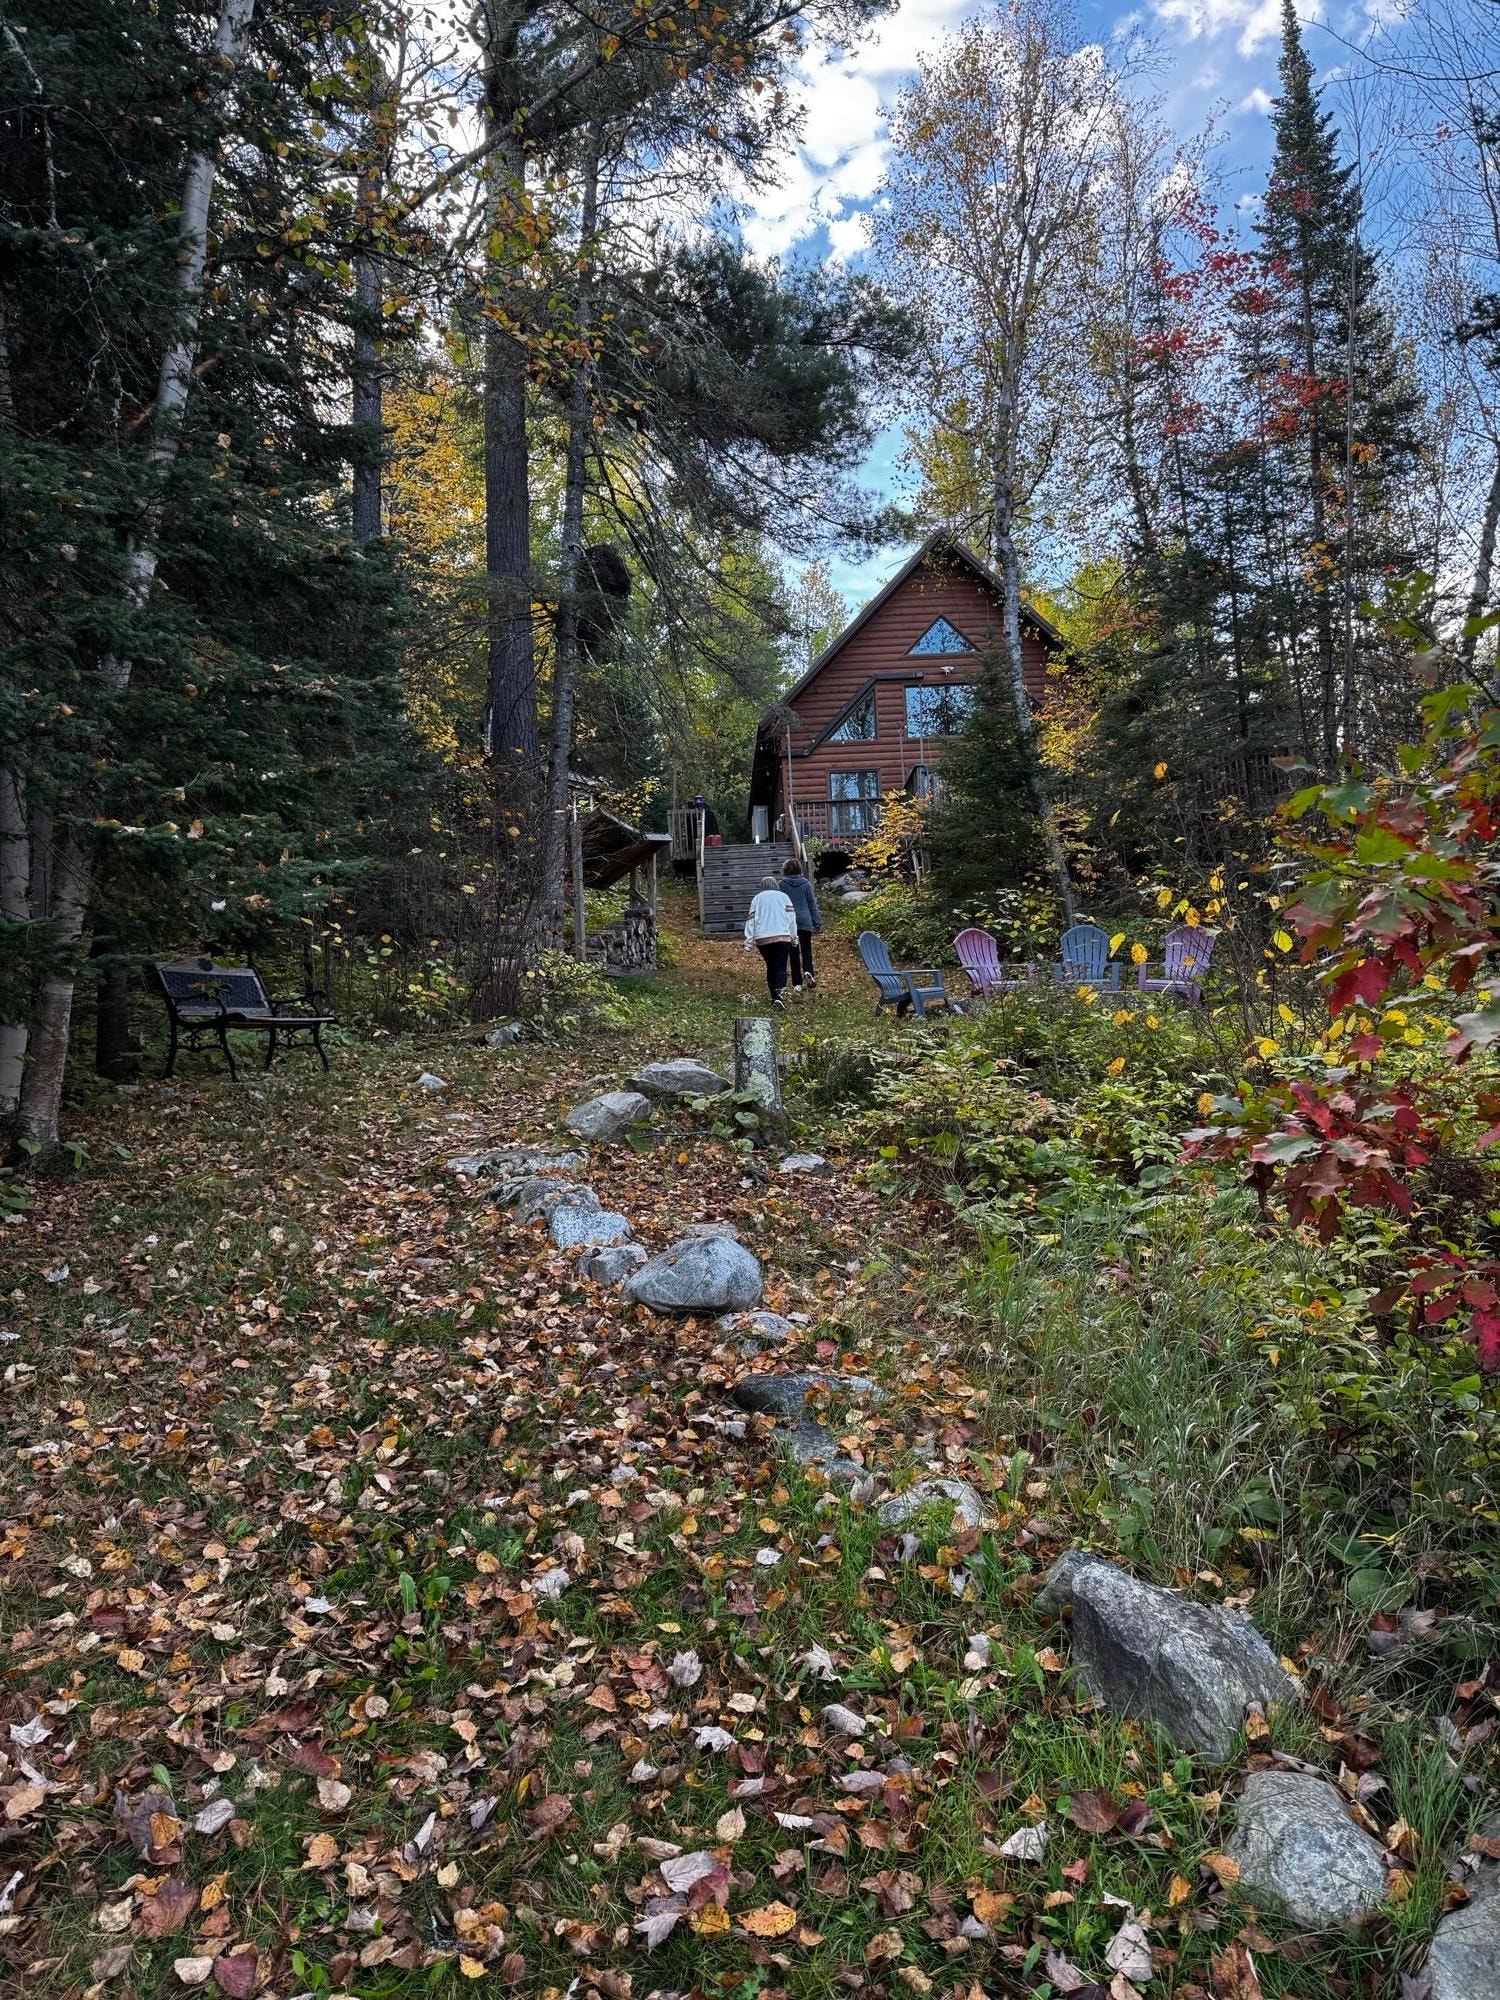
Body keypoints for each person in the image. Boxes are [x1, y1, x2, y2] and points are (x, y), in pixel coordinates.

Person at [743, 873, 798, 1007]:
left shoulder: (757, 899)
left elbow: (751, 920)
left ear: (762, 886)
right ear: (776, 885)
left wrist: (748, 942)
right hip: (782, 935)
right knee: (781, 966)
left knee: (771, 966)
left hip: (763, 938)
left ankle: (774, 997)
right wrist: (794, 937)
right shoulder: (783, 897)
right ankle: (780, 994)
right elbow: (791, 919)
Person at [780, 857, 822, 993]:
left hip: (789, 922)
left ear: (785, 870)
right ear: (799, 869)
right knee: (806, 950)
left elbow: (780, 905)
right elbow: (812, 904)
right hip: (805, 921)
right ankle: (808, 972)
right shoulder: (806, 884)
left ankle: (797, 983)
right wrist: (817, 922)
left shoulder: (781, 885)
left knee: (793, 953)